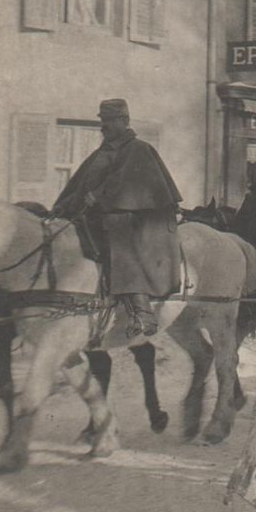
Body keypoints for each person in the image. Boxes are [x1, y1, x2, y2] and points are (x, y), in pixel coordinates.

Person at [52, 98, 182, 338]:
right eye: (102, 121)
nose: (104, 126)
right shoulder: (102, 152)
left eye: (109, 121)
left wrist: (100, 197)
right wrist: (64, 207)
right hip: (105, 213)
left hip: (141, 219)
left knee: (118, 236)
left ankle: (141, 311)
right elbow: (79, 185)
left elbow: (129, 185)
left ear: (124, 121)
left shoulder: (138, 150)